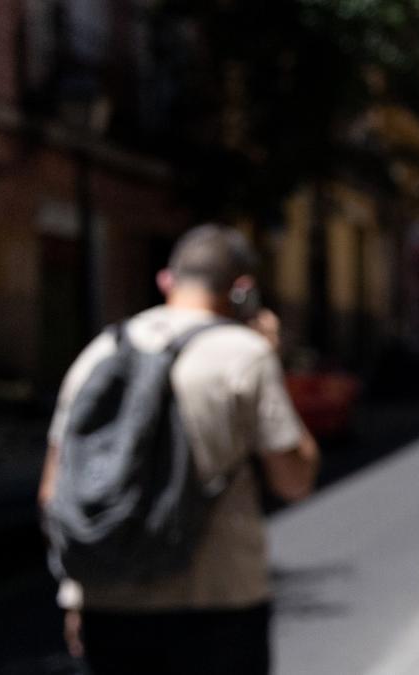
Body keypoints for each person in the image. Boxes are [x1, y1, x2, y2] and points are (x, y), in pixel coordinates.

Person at [38, 224, 320, 675]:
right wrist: (271, 354)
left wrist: (77, 595)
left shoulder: (98, 352)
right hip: (217, 603)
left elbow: (53, 494)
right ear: (242, 289)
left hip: (108, 604)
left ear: (166, 280)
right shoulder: (244, 353)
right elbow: (295, 481)